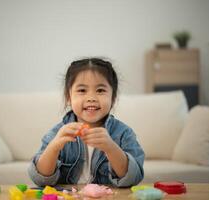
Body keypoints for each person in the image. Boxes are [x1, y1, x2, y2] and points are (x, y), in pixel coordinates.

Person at [28, 57, 144, 187]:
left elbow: (133, 178)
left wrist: (111, 148)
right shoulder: (58, 133)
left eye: (100, 90)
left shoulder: (124, 133)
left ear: (113, 98)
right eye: (82, 90)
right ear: (68, 97)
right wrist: (54, 147)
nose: (91, 98)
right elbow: (40, 179)